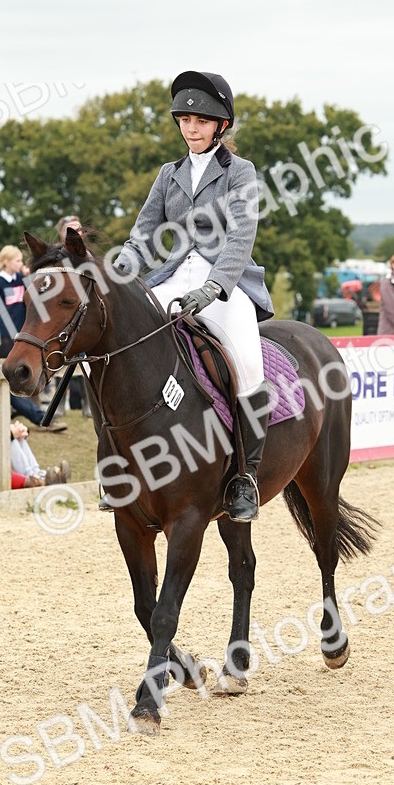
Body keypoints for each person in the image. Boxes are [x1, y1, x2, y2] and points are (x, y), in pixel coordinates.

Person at [112, 70, 274, 522]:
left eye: (201, 120)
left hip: (226, 283)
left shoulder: (240, 172)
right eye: (184, 119)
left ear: (221, 126)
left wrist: (215, 287)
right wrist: (119, 268)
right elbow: (143, 235)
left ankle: (245, 476)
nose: (191, 128)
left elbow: (242, 237)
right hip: (169, 278)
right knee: (121, 348)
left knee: (246, 363)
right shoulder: (169, 174)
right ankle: (120, 467)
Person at [0, 245, 66, 432]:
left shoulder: (22, 281)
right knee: (10, 375)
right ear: (6, 262)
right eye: (18, 261)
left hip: (23, 334)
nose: (21, 264)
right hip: (4, 337)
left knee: (30, 371)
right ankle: (19, 412)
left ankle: (36, 411)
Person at [0, 379, 70, 485]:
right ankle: (33, 476)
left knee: (10, 434)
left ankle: (40, 473)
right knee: (6, 435)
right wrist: (10, 434)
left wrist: (21, 432)